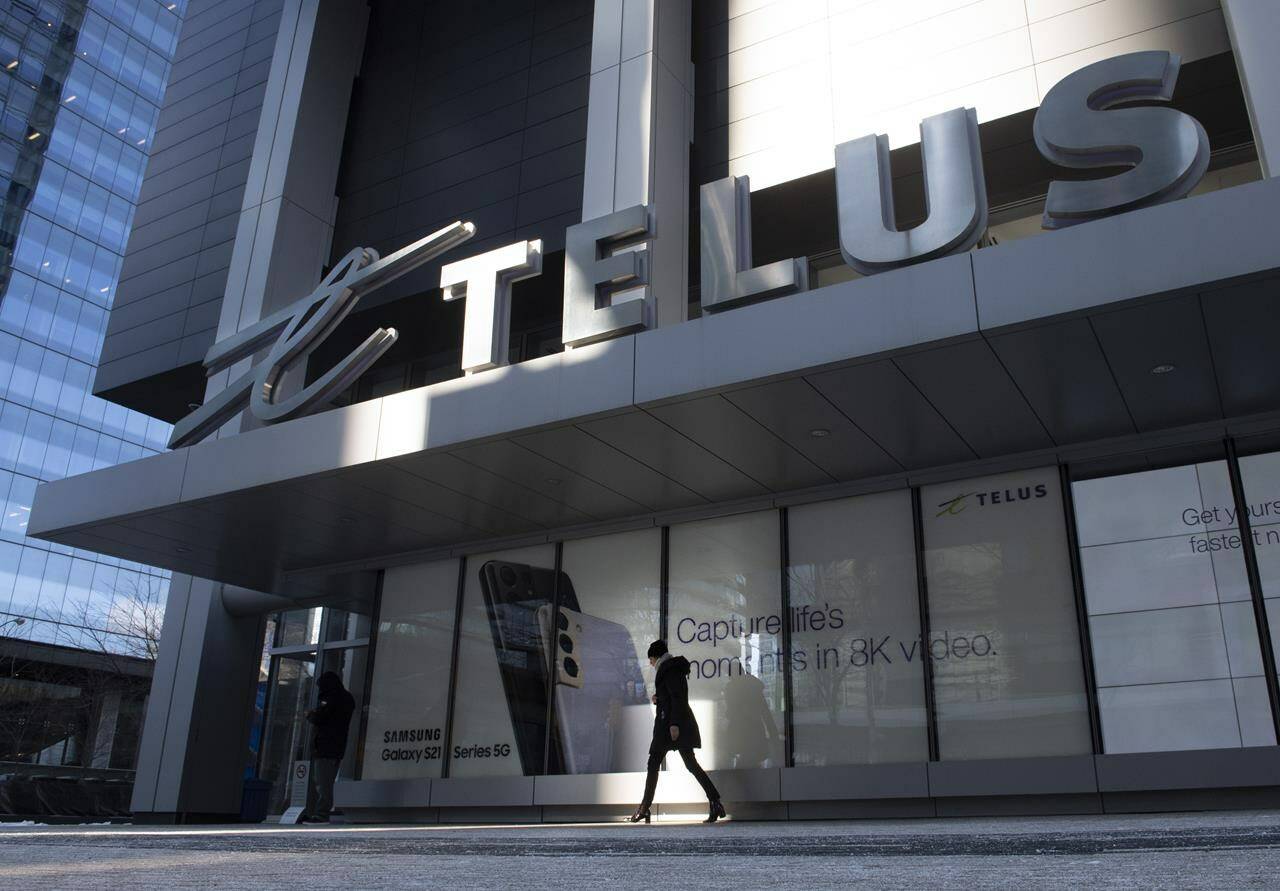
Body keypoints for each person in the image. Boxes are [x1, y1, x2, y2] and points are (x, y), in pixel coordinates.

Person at [630, 640, 726, 824]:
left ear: (656, 657)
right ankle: (715, 802)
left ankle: (644, 808)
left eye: (650, 659)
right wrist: (659, 698)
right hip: (673, 722)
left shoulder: (669, 669)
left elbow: (678, 696)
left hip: (671, 724)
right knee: (688, 764)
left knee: (655, 763)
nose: (650, 663)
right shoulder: (670, 668)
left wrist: (674, 724)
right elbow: (672, 694)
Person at [303, 670, 355, 824]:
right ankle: (320, 813)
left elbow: (321, 717)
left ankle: (321, 815)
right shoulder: (346, 698)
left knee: (323, 782)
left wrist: (311, 714)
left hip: (326, 747)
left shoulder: (333, 698)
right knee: (324, 781)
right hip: (335, 747)